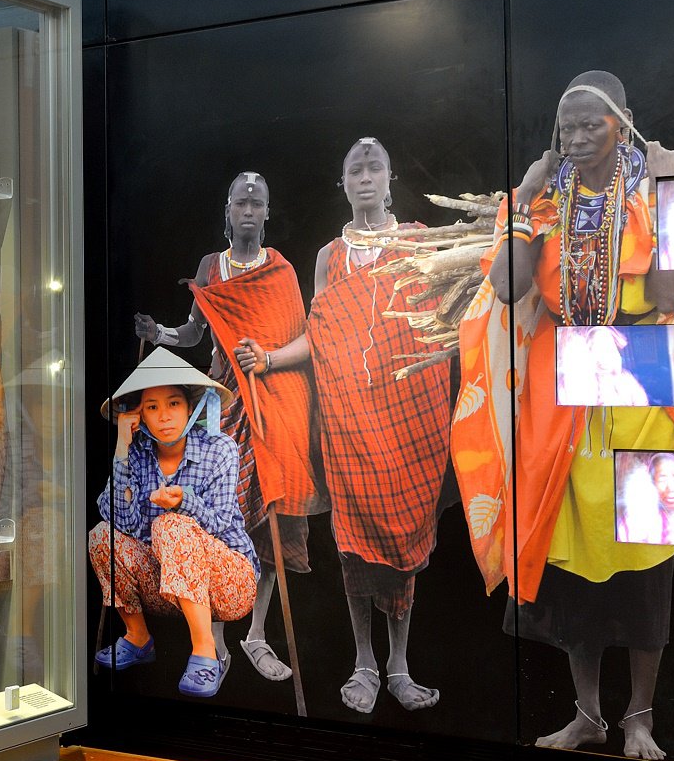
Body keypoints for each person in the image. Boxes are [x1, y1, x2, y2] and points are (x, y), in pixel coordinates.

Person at [454, 70, 674, 761]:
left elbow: (672, 292)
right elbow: (506, 284)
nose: (579, 136)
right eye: (568, 126)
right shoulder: (548, 204)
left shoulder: (649, 194)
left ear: (623, 124)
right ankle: (588, 714)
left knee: (644, 562)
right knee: (571, 568)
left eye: (593, 123)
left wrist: (673, 192)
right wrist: (524, 198)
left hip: (637, 391)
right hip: (561, 401)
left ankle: (639, 719)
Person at [133, 171, 323, 685]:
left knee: (271, 520)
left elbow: (300, 337)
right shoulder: (211, 267)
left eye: (257, 203)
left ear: (267, 213)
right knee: (215, 517)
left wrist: (265, 358)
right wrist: (162, 333)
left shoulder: (279, 269)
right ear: (227, 210)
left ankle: (257, 633)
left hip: (274, 404)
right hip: (222, 407)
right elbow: (196, 330)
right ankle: (212, 642)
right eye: (241, 202)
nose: (248, 210)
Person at [301, 138, 454, 713]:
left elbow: (443, 320)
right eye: (355, 170)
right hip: (347, 418)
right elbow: (322, 335)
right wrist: (264, 359)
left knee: (405, 532)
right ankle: (364, 662)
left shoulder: (419, 242)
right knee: (355, 543)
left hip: (409, 414)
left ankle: (399, 666)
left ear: (391, 178)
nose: (365, 178)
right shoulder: (329, 257)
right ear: (343, 183)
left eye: (374, 168)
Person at [89, 348, 259, 698]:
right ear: (140, 415)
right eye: (152, 407)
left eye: (174, 404)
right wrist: (122, 447)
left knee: (171, 526)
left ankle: (204, 651)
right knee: (101, 535)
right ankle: (137, 637)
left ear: (190, 408)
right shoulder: (135, 453)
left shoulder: (220, 448)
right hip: (168, 588)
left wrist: (185, 502)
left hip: (227, 585)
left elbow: (222, 523)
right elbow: (119, 520)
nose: (164, 416)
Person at [557, 325, 651, 407]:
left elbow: (643, 404)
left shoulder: (626, 380)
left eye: (611, 348)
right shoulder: (585, 387)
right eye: (601, 350)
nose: (610, 355)